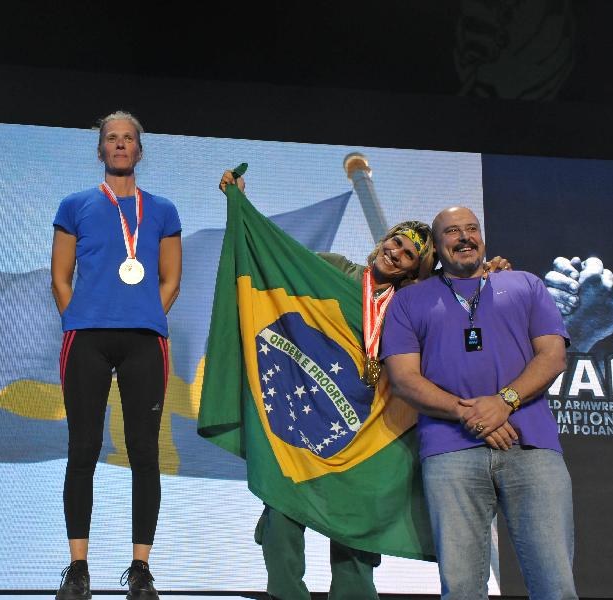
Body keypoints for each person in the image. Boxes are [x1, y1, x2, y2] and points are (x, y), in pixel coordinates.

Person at [218, 169, 437, 600]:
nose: (395, 252)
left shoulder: (413, 307)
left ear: (415, 270)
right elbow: (278, 263)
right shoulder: (335, 269)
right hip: (307, 418)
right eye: (395, 241)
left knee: (355, 535)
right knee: (281, 514)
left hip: (369, 430)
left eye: (408, 254)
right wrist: (242, 208)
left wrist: (490, 271)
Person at [382, 206, 576, 599]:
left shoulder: (525, 284)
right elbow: (404, 379)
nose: (465, 237)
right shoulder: (408, 302)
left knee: (555, 585)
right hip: (450, 451)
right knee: (463, 589)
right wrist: (469, 413)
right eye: (453, 232)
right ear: (437, 247)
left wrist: (504, 402)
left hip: (532, 446)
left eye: (472, 229)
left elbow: (553, 356)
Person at [51, 111, 182, 600]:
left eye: (129, 139)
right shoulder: (76, 205)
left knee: (145, 451)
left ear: (140, 151)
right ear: (101, 150)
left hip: (144, 340)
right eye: (112, 138)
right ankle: (78, 569)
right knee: (82, 447)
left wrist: (144, 310)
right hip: (87, 337)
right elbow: (60, 276)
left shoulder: (163, 210)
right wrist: (79, 316)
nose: (121, 145)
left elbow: (170, 279)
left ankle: (141, 570)